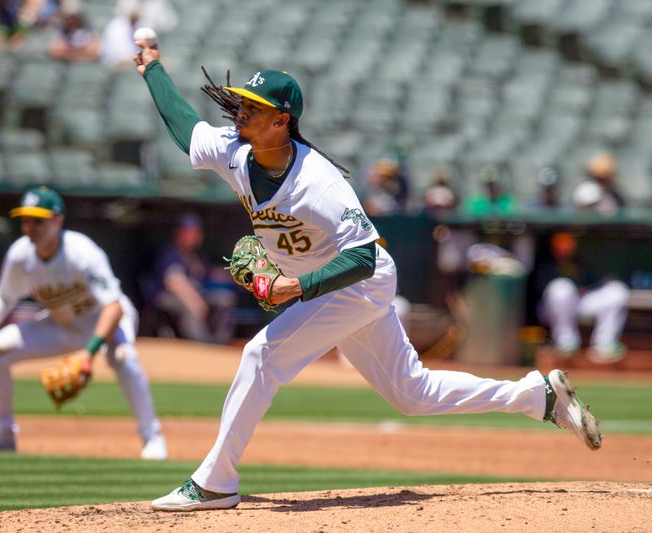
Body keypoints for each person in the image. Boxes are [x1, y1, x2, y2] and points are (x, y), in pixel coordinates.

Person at [132, 41, 602, 512]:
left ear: (282, 120)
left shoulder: (318, 183)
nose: (241, 111)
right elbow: (184, 129)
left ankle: (216, 480)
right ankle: (535, 396)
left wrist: (292, 286)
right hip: (332, 286)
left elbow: (364, 258)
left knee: (261, 355)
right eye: (243, 102)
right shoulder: (234, 149)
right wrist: (153, 67)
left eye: (254, 107)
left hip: (359, 283)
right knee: (412, 393)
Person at [0, 186, 168, 460]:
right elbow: (3, 296)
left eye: (38, 220)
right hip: (62, 325)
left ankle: (152, 437)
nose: (29, 227)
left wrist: (89, 352)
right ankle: (2, 436)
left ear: (58, 220)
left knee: (123, 357)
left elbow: (114, 306)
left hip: (105, 322)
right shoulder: (21, 255)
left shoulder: (81, 253)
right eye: (25, 220)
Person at [532, 231, 628, 363]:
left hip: (577, 303)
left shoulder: (578, 262)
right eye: (562, 244)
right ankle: (565, 342)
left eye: (568, 244)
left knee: (616, 291)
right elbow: (539, 288)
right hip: (549, 308)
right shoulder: (545, 263)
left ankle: (604, 345)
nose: (566, 248)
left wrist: (583, 288)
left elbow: (591, 282)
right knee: (561, 288)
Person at [152, 213, 237, 344]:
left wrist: (238, 276)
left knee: (225, 298)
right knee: (189, 306)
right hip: (169, 297)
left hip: (198, 293)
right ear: (180, 233)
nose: (194, 236)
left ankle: (220, 342)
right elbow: (174, 282)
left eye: (196, 232)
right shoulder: (171, 253)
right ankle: (199, 344)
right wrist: (196, 301)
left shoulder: (197, 255)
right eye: (190, 232)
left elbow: (211, 273)